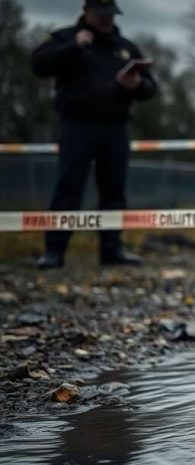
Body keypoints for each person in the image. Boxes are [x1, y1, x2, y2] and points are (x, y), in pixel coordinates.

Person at [31, 0, 157, 269]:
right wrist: (74, 47)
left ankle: (112, 250)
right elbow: (38, 64)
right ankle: (54, 251)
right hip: (77, 125)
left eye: (111, 14)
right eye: (102, 14)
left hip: (116, 127)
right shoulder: (65, 38)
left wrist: (136, 84)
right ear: (86, 11)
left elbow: (151, 89)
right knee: (68, 189)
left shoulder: (124, 47)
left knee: (114, 191)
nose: (107, 20)